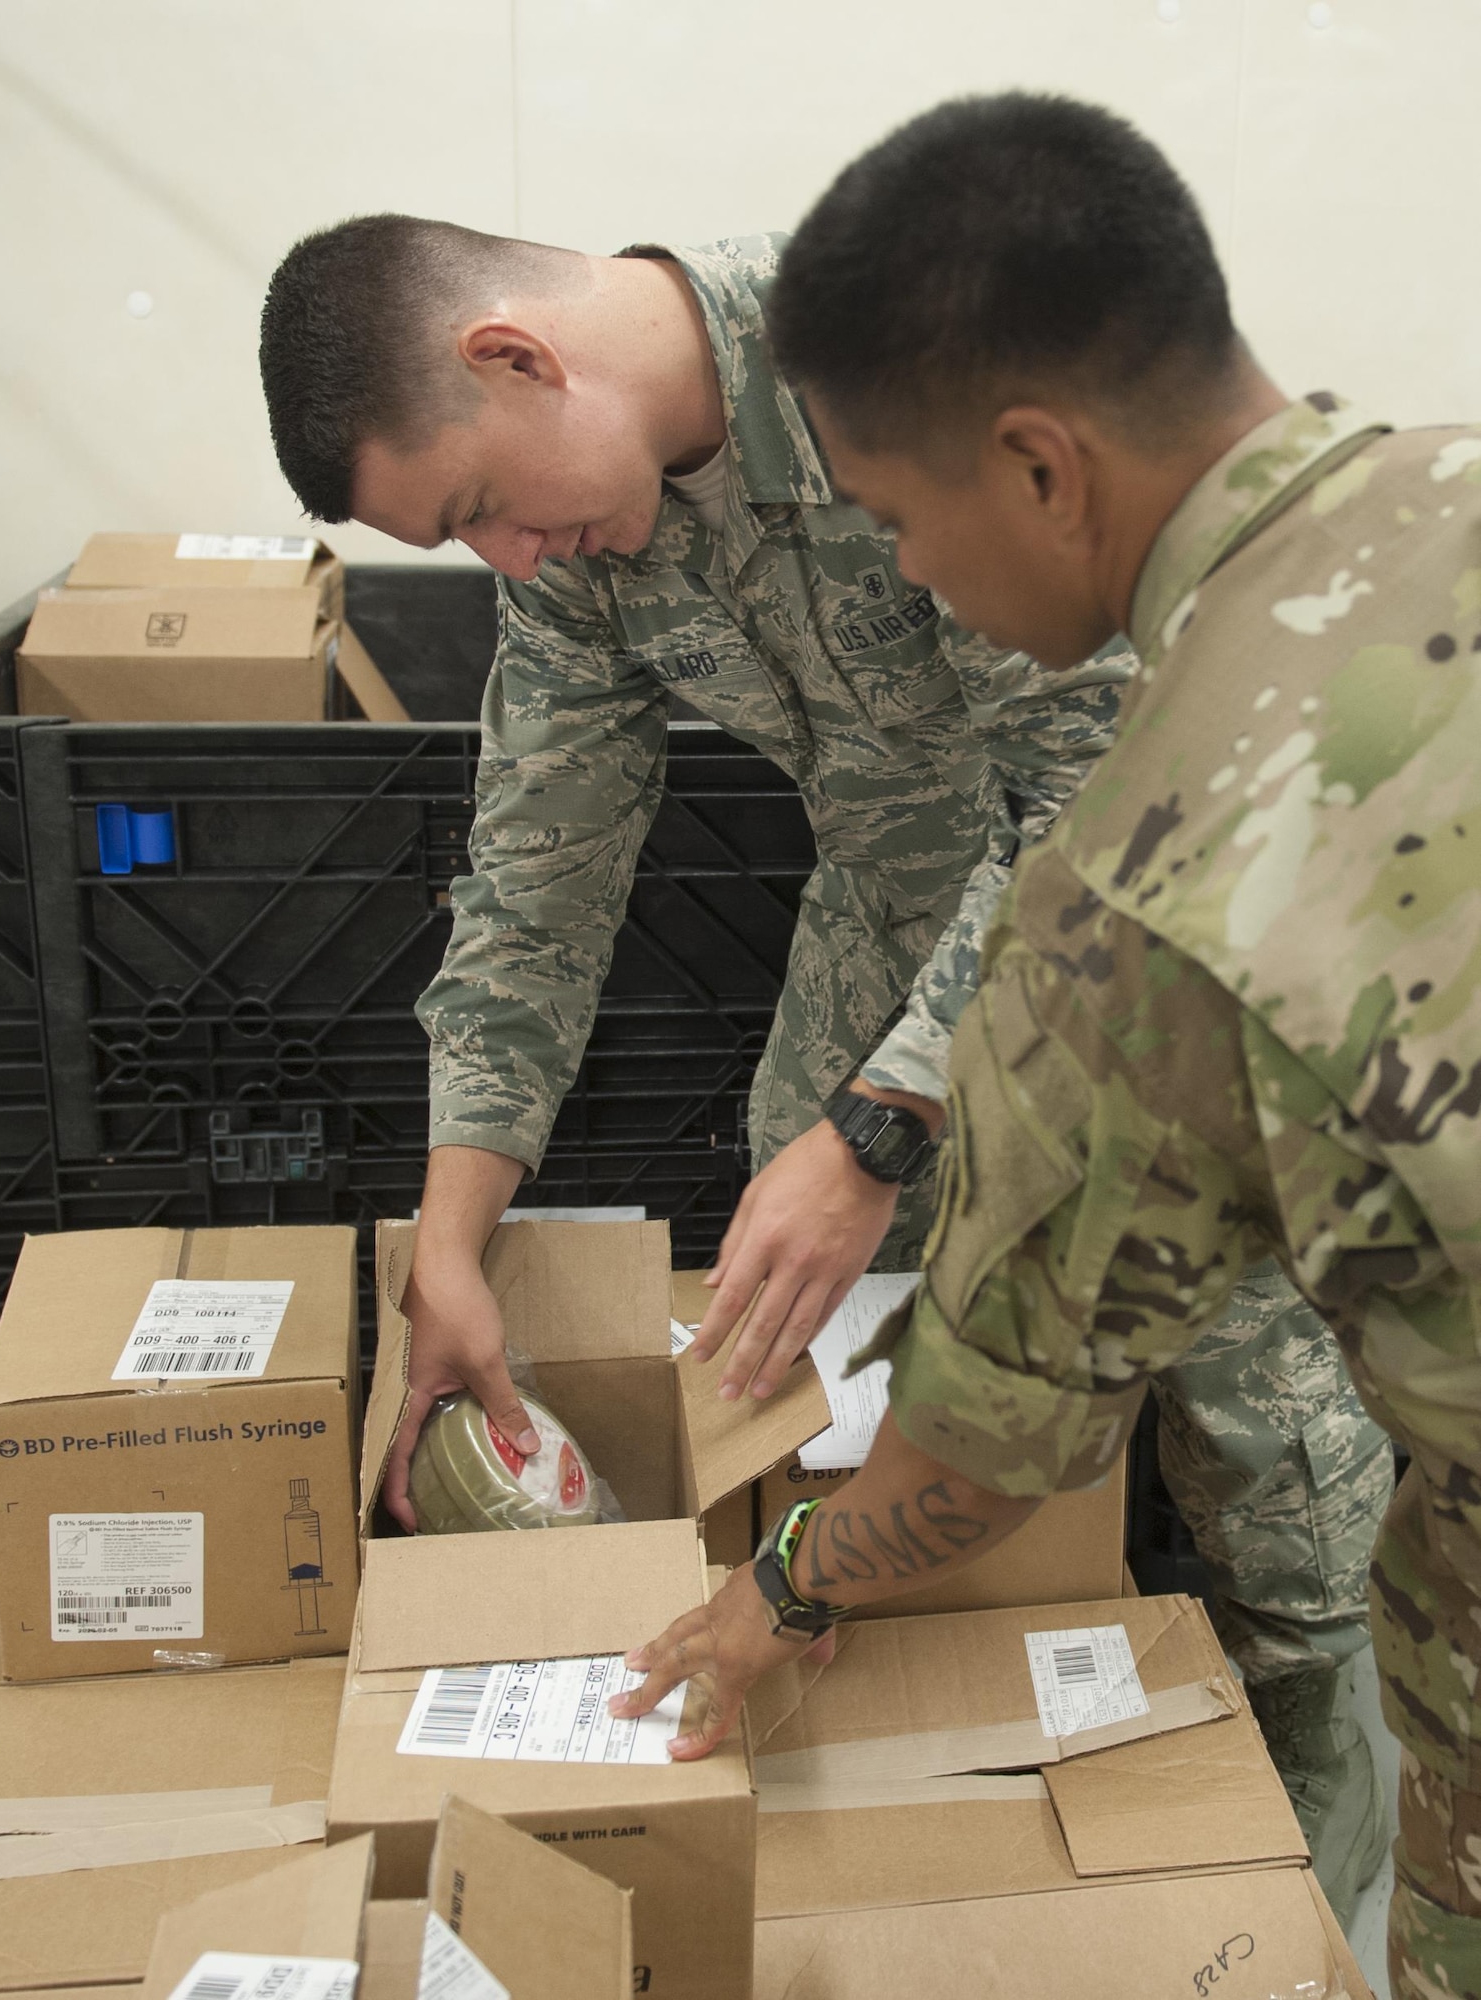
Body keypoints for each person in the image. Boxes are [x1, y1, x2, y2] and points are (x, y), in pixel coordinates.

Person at [257, 204, 1390, 1911]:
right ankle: (896, 1859)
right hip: (899, 948)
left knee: (1276, 1494)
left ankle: (1297, 1908)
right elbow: (535, 892)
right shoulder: (587, 550)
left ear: (514, 357)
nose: (513, 562)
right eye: (461, 541)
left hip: (1178, 958)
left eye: (480, 507)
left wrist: (877, 1126)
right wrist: (446, 1237)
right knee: (817, 1404)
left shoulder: (931, 364)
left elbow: (1115, 804)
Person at [610, 92, 1481, 1993]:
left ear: (1039, 468)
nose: (908, 578)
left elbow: (982, 1457)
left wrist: (779, 1590)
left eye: (900, 520)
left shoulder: (1129, 885)